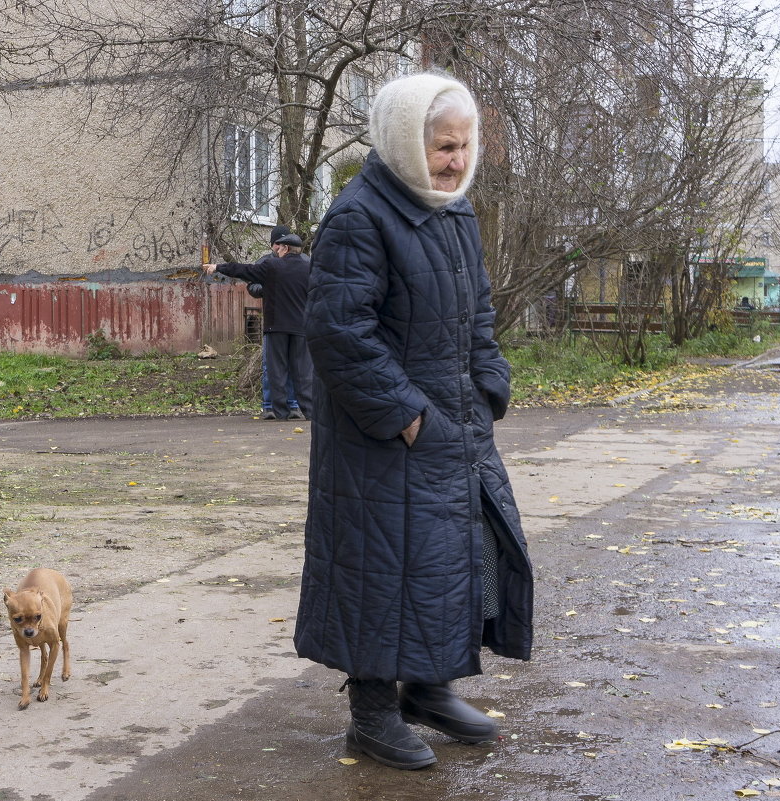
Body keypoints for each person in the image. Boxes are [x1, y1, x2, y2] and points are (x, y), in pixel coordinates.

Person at [294, 72, 534, 770]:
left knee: (453, 559)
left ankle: (428, 687)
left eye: (464, 145)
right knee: (381, 568)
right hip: (382, 436)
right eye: (442, 146)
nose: (456, 161)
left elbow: (477, 314)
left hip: (456, 423)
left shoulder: (453, 209)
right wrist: (403, 416)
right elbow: (338, 330)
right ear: (404, 140)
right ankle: (370, 714)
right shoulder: (360, 214)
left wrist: (489, 385)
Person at [205, 233, 313, 420]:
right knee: (303, 371)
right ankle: (310, 412)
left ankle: (280, 412)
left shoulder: (272, 266)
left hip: (276, 327)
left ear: (285, 249)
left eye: (279, 248)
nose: (276, 251)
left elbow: (244, 270)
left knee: (277, 370)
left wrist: (218, 267)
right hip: (301, 327)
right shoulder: (309, 267)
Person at [249, 225, 302, 420]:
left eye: (283, 243)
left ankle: (293, 405)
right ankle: (269, 405)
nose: (280, 247)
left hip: (297, 323)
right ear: (272, 245)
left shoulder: (303, 262)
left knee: (296, 365)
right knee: (270, 365)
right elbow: (253, 286)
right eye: (277, 243)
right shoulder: (265, 262)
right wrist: (269, 287)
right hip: (275, 321)